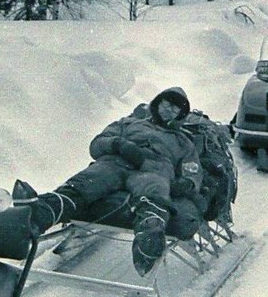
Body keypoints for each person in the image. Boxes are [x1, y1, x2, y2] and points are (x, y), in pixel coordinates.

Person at [26, 87, 203, 276]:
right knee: (92, 178)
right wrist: (118, 144)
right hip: (116, 160)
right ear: (158, 102)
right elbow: (97, 144)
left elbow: (192, 171)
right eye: (167, 104)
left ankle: (149, 235)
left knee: (154, 190)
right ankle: (41, 213)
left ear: (180, 115)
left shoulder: (184, 142)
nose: (169, 110)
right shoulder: (128, 123)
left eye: (175, 109)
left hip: (154, 168)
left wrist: (186, 184)